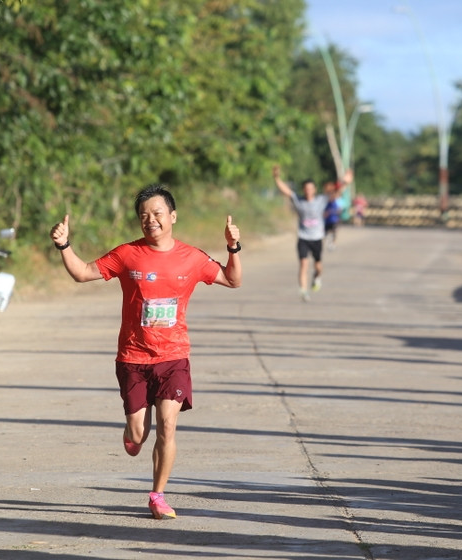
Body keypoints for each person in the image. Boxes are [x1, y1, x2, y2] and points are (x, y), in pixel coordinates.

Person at [49, 183, 242, 520]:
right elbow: (82, 274)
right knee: (139, 435)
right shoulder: (127, 254)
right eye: (143, 215)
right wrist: (64, 244)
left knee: (168, 425)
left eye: (157, 213)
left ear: (173, 216)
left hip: (173, 357)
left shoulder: (192, 257)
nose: (150, 220)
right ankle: (132, 431)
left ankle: (158, 495)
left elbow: (232, 279)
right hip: (133, 358)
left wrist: (233, 247)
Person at [272, 165, 351, 302]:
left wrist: (345, 182)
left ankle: (317, 277)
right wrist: (276, 178)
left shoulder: (321, 200)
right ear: (304, 190)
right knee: (303, 264)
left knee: (318, 267)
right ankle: (303, 290)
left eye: (310, 188)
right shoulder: (298, 200)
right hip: (303, 237)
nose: (308, 191)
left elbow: (336, 192)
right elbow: (286, 191)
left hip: (316, 238)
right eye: (306, 188)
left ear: (314, 190)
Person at [323, 182, 343, 250]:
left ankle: (333, 243)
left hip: (334, 219)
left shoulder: (335, 198)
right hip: (327, 219)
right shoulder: (324, 198)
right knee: (326, 232)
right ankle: (329, 242)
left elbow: (339, 210)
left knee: (334, 231)